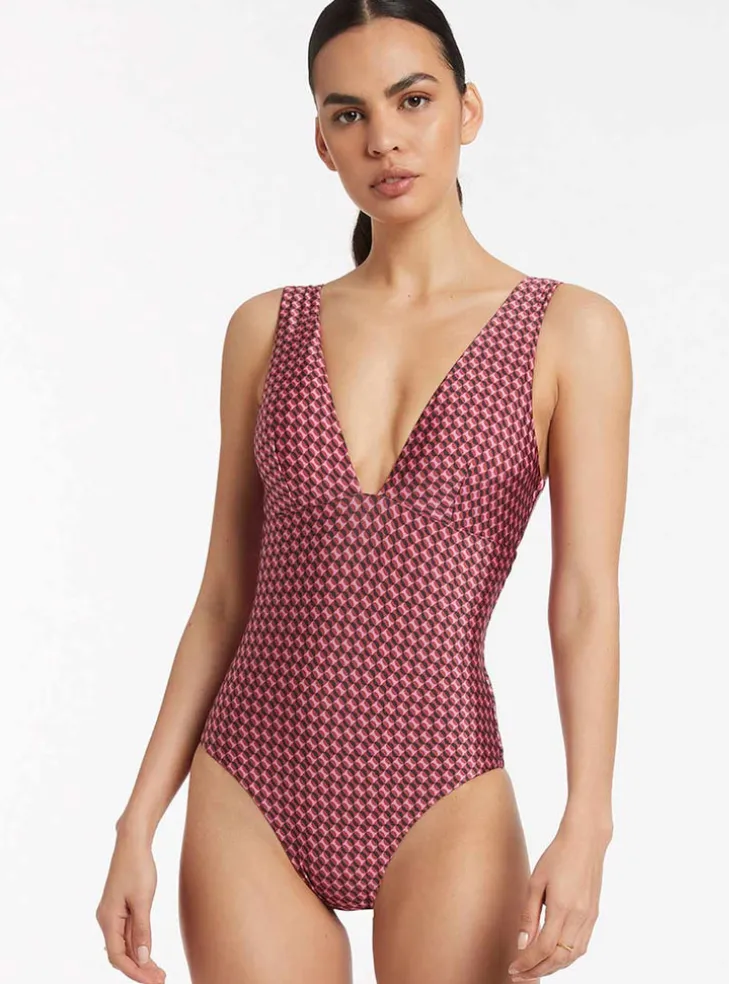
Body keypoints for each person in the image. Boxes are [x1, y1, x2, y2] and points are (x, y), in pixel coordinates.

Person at [95, 1, 632, 982]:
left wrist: (587, 822)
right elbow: (223, 597)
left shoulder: (570, 331)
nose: (383, 137)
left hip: (443, 783)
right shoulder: (267, 330)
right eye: (348, 114)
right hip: (249, 780)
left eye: (411, 100)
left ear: (467, 110)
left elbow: (584, 599)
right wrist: (137, 821)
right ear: (321, 142)